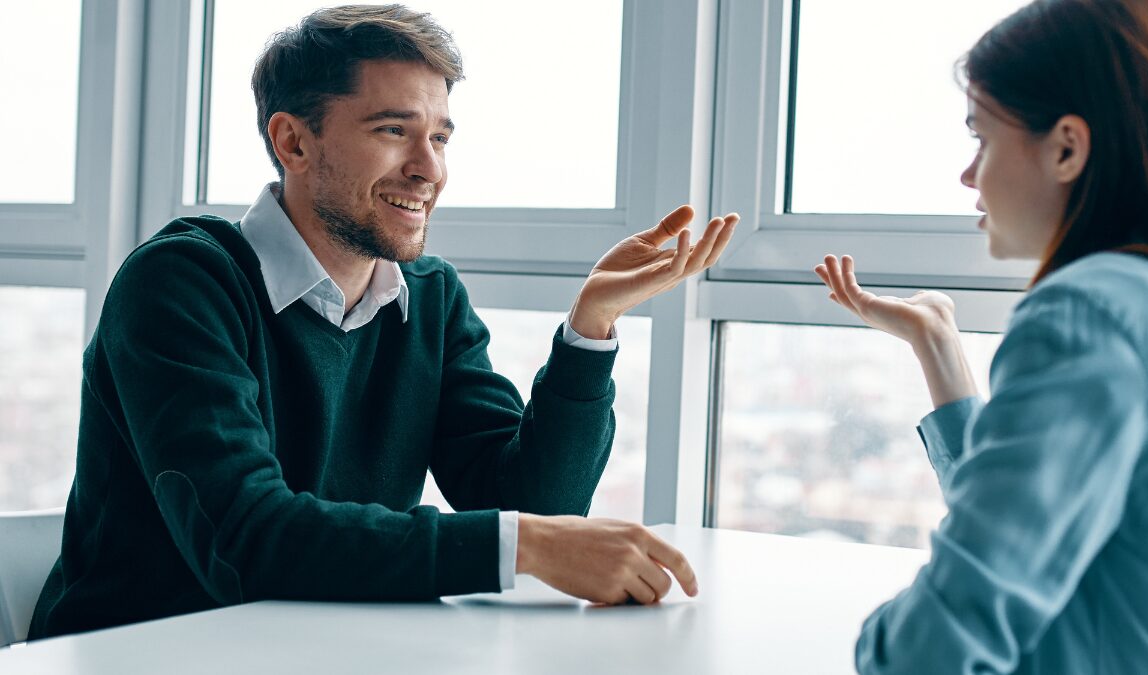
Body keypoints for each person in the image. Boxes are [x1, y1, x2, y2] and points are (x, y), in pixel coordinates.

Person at [30, 4, 739, 639]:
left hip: (320, 650)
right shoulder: (181, 283)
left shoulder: (428, 297)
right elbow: (244, 538)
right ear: (294, 143)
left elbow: (533, 502)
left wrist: (591, 326)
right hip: (136, 654)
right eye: (394, 130)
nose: (428, 169)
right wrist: (522, 545)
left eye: (440, 137)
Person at [813, 0, 1148, 672]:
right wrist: (937, 346)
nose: (969, 174)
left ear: (1067, 147)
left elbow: (947, 629)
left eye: (981, 138)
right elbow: (1043, 532)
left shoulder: (1088, 312)